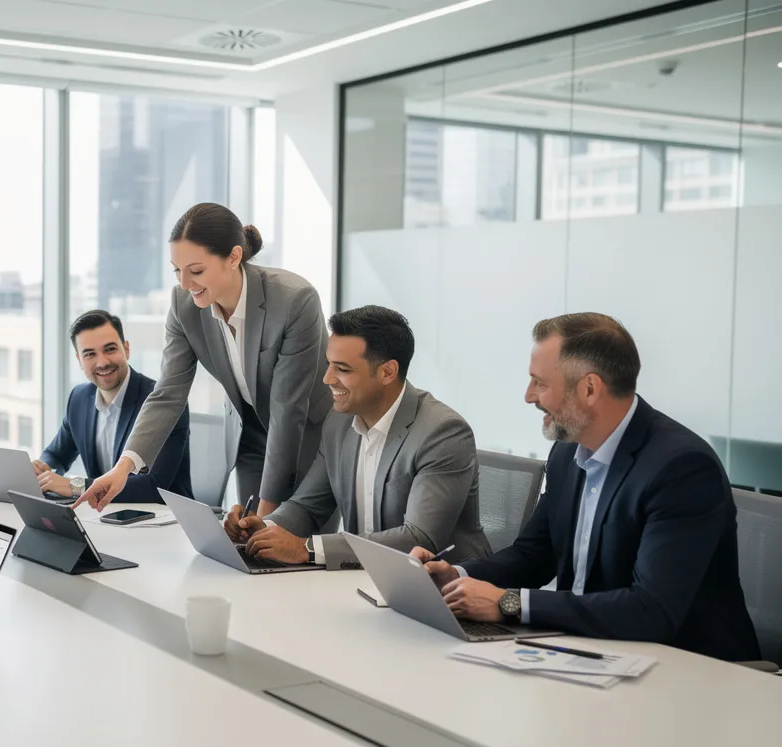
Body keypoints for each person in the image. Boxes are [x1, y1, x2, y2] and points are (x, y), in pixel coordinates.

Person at [414, 313, 759, 662]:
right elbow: (534, 556)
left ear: (590, 389)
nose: (528, 396)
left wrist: (508, 603)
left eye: (540, 383)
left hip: (687, 668)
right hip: (587, 650)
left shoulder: (681, 468)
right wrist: (457, 576)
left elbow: (651, 611)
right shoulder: (567, 450)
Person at [77, 203, 330, 515]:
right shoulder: (184, 306)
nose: (184, 283)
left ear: (234, 257)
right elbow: (168, 393)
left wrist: (268, 513)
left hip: (309, 436)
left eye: (196, 271)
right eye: (177, 270)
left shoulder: (294, 300)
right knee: (252, 549)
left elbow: (288, 408)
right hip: (250, 433)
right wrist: (123, 468)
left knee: (293, 544)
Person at [231, 306, 490, 567]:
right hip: (362, 578)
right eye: (328, 365)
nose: (327, 378)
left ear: (388, 372)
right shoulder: (338, 422)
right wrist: (263, 529)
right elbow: (307, 506)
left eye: (342, 369)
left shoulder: (442, 432)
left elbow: (419, 538)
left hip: (444, 590)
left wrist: (307, 548)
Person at [34, 310, 192, 504]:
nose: (102, 362)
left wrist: (74, 486)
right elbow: (56, 454)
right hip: (106, 517)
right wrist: (44, 470)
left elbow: (153, 486)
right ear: (79, 361)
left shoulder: (163, 402)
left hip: (163, 521)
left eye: (110, 349)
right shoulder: (79, 398)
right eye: (90, 354)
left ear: (126, 349)